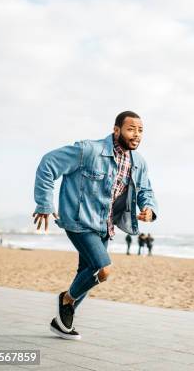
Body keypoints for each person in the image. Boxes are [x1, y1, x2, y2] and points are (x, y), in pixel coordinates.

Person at [32, 111, 158, 340]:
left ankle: (62, 323)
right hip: (78, 221)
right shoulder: (88, 150)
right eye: (131, 129)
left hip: (105, 226)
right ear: (116, 130)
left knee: (86, 272)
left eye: (140, 130)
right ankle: (66, 300)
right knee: (103, 269)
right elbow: (48, 163)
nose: (136, 135)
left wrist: (148, 208)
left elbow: (146, 190)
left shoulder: (138, 162)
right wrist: (44, 203)